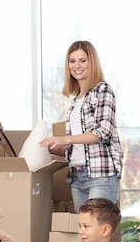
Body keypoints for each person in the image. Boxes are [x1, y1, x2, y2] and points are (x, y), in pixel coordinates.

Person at [40, 40, 123, 211]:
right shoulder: (76, 100)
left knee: (96, 229)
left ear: (92, 62)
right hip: (77, 176)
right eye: (72, 61)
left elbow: (103, 132)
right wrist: (60, 149)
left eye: (82, 60)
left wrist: (64, 139)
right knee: (85, 232)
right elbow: (82, 147)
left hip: (101, 175)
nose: (77, 66)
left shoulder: (103, 90)